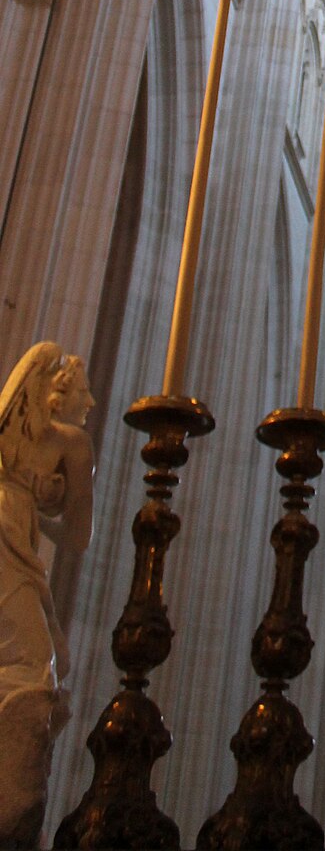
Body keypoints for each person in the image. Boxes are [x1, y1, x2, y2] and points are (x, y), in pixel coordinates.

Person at [0, 344, 95, 846]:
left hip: (14, 540)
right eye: (84, 390)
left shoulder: (44, 439)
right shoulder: (72, 443)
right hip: (8, 541)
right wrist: (47, 513)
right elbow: (79, 536)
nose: (91, 402)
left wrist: (34, 512)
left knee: (46, 660)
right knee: (39, 663)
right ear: (57, 393)